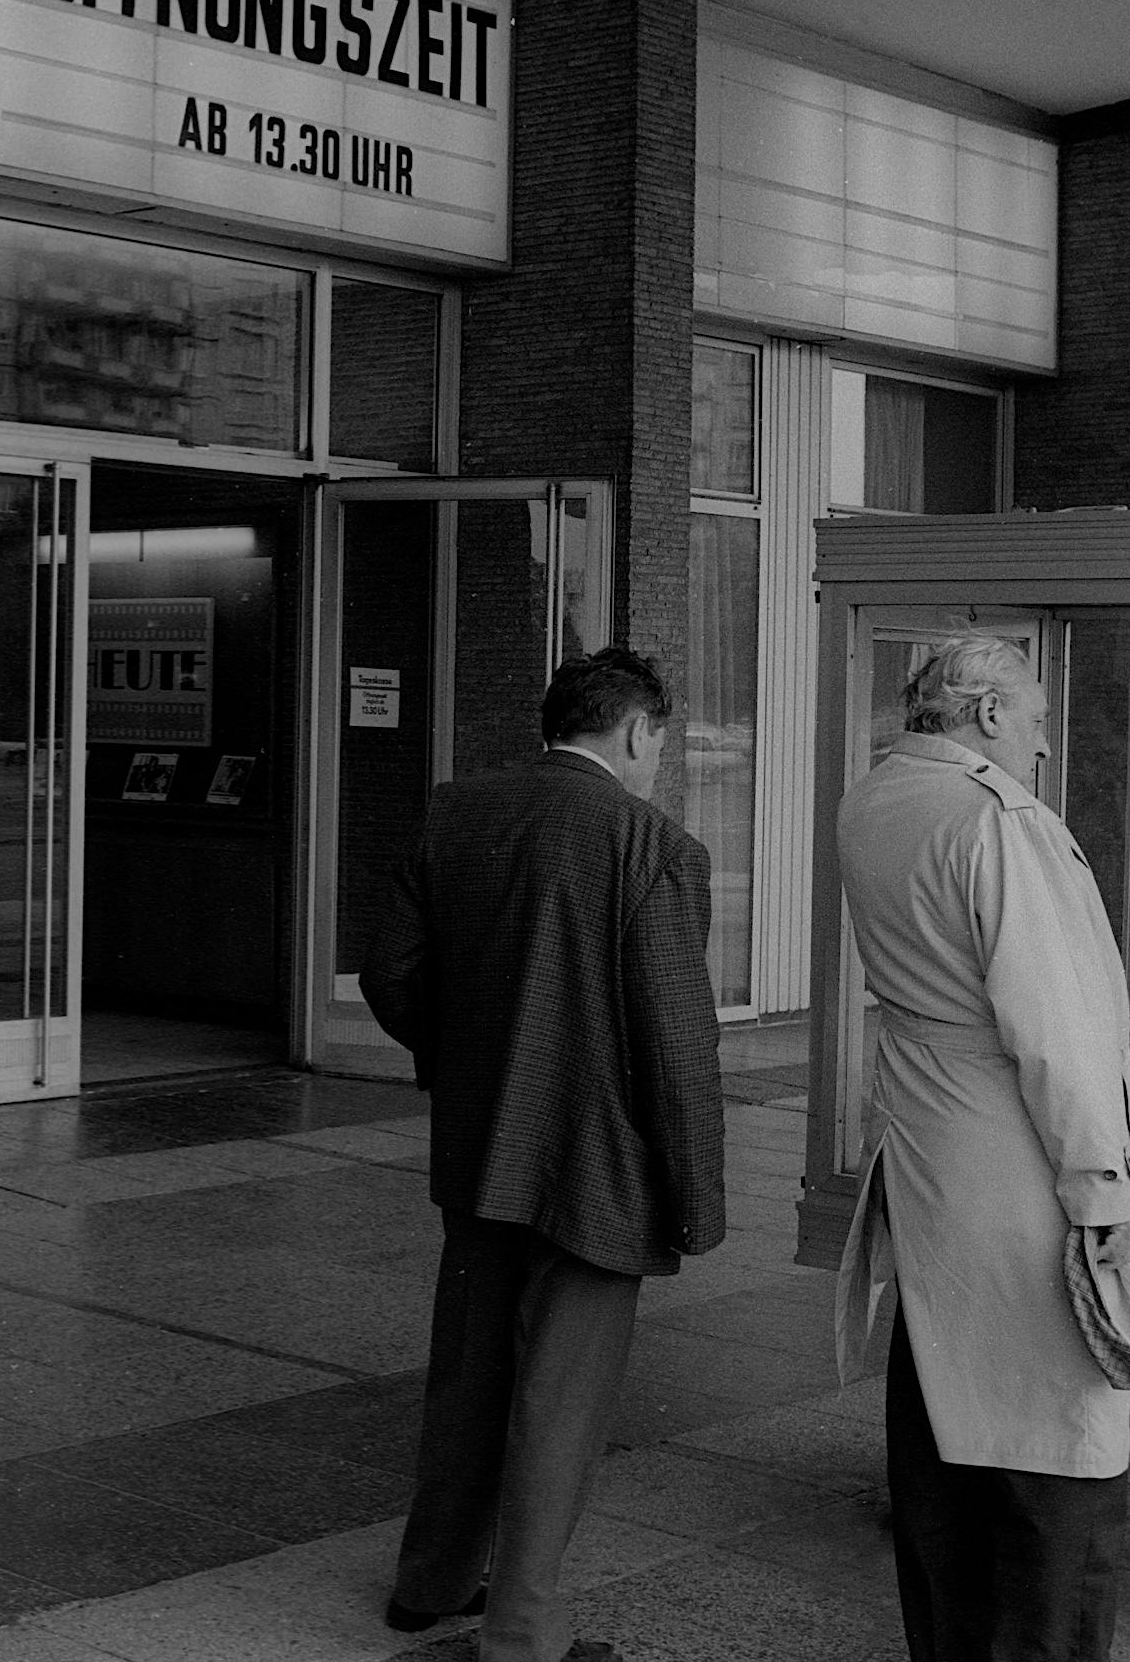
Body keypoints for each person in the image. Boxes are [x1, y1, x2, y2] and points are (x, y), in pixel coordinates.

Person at [360, 647, 726, 1662]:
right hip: (598, 1166)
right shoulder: (651, 844)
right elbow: (676, 1043)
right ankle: (521, 1630)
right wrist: (694, 1196)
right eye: (660, 741)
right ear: (638, 730)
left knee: (468, 1371)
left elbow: (390, 972)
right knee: (558, 1398)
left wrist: (468, 1061)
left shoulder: (454, 813)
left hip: (481, 1143)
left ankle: (429, 1580)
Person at [834, 634, 1130, 1661]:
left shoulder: (874, 798)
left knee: (941, 1440)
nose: (1045, 745)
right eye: (1038, 718)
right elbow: (1060, 1030)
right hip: (1016, 1164)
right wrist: (1103, 1190)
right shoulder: (999, 821)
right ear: (988, 712)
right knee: (1057, 1449)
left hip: (924, 1152)